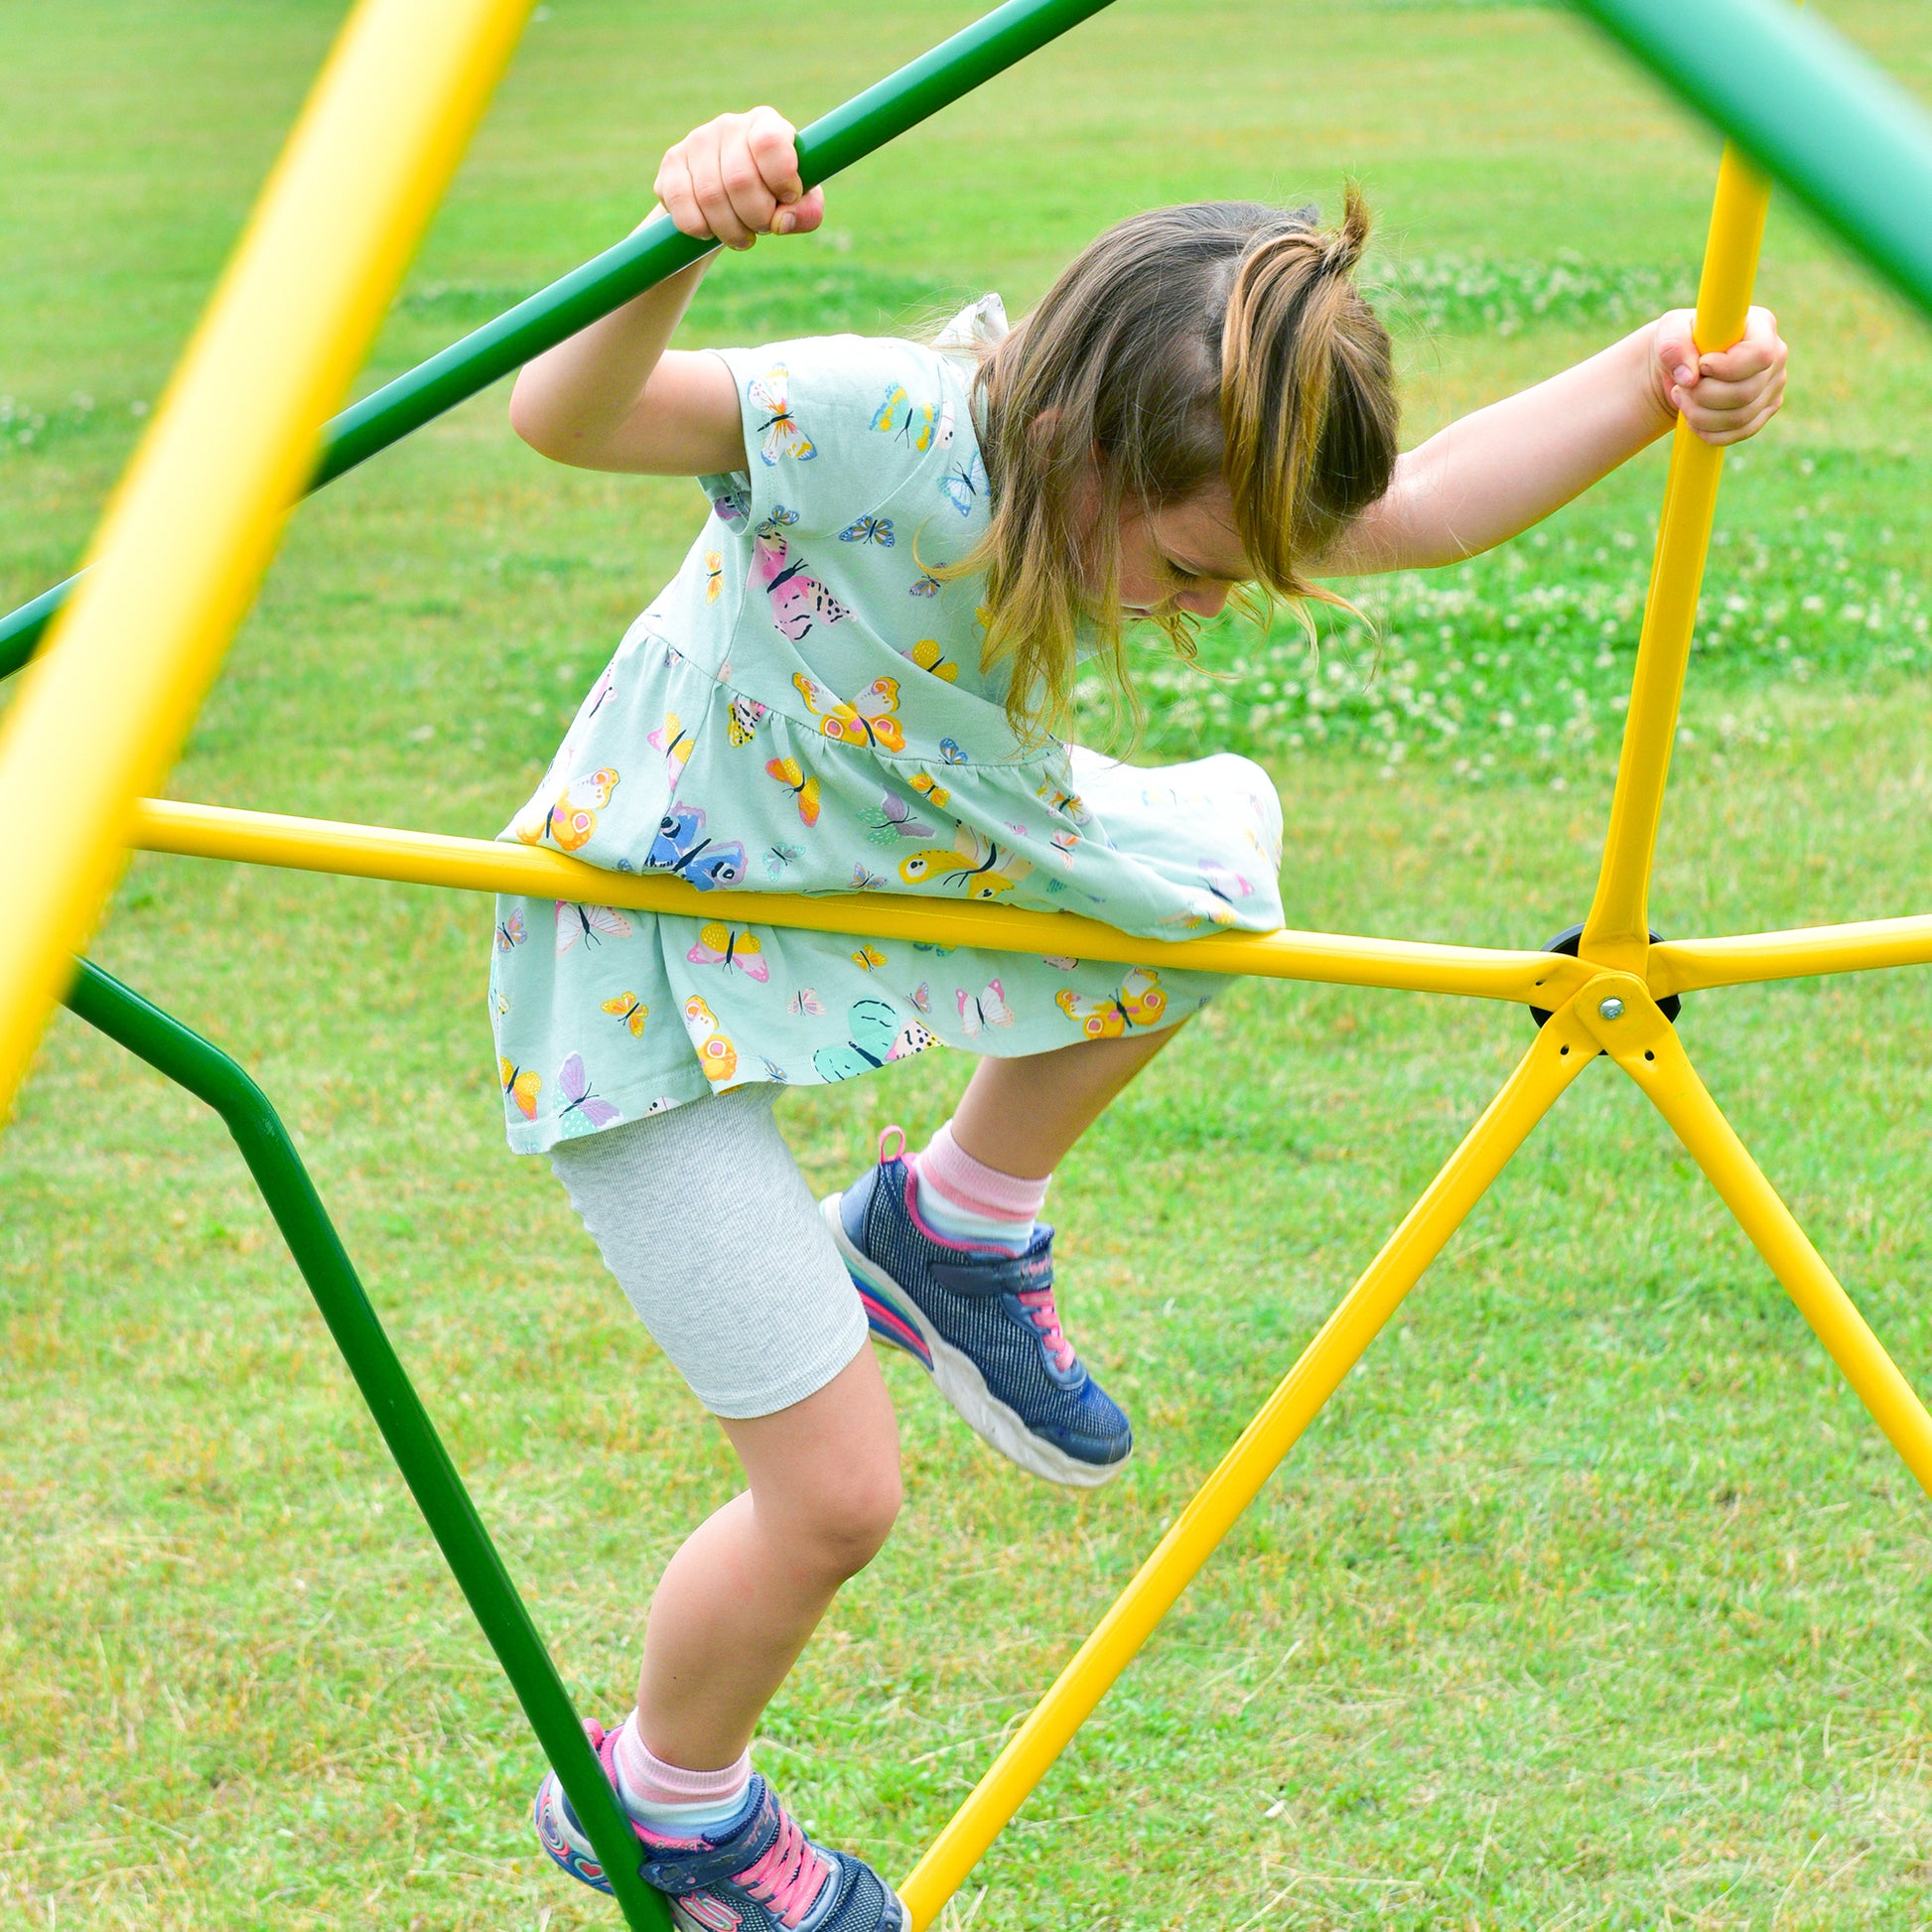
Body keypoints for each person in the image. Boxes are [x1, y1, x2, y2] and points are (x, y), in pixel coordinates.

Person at [498, 106, 1787, 1929]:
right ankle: (666, 1797)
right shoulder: (878, 423)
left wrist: (1651, 374)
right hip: (640, 954)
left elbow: (1419, 510)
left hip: (883, 865)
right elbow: (568, 416)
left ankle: (952, 1224)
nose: (1200, 610)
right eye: (1188, 571)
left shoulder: (1146, 473)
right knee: (836, 1497)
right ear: (1065, 443)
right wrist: (678, 230)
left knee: (1219, 859)